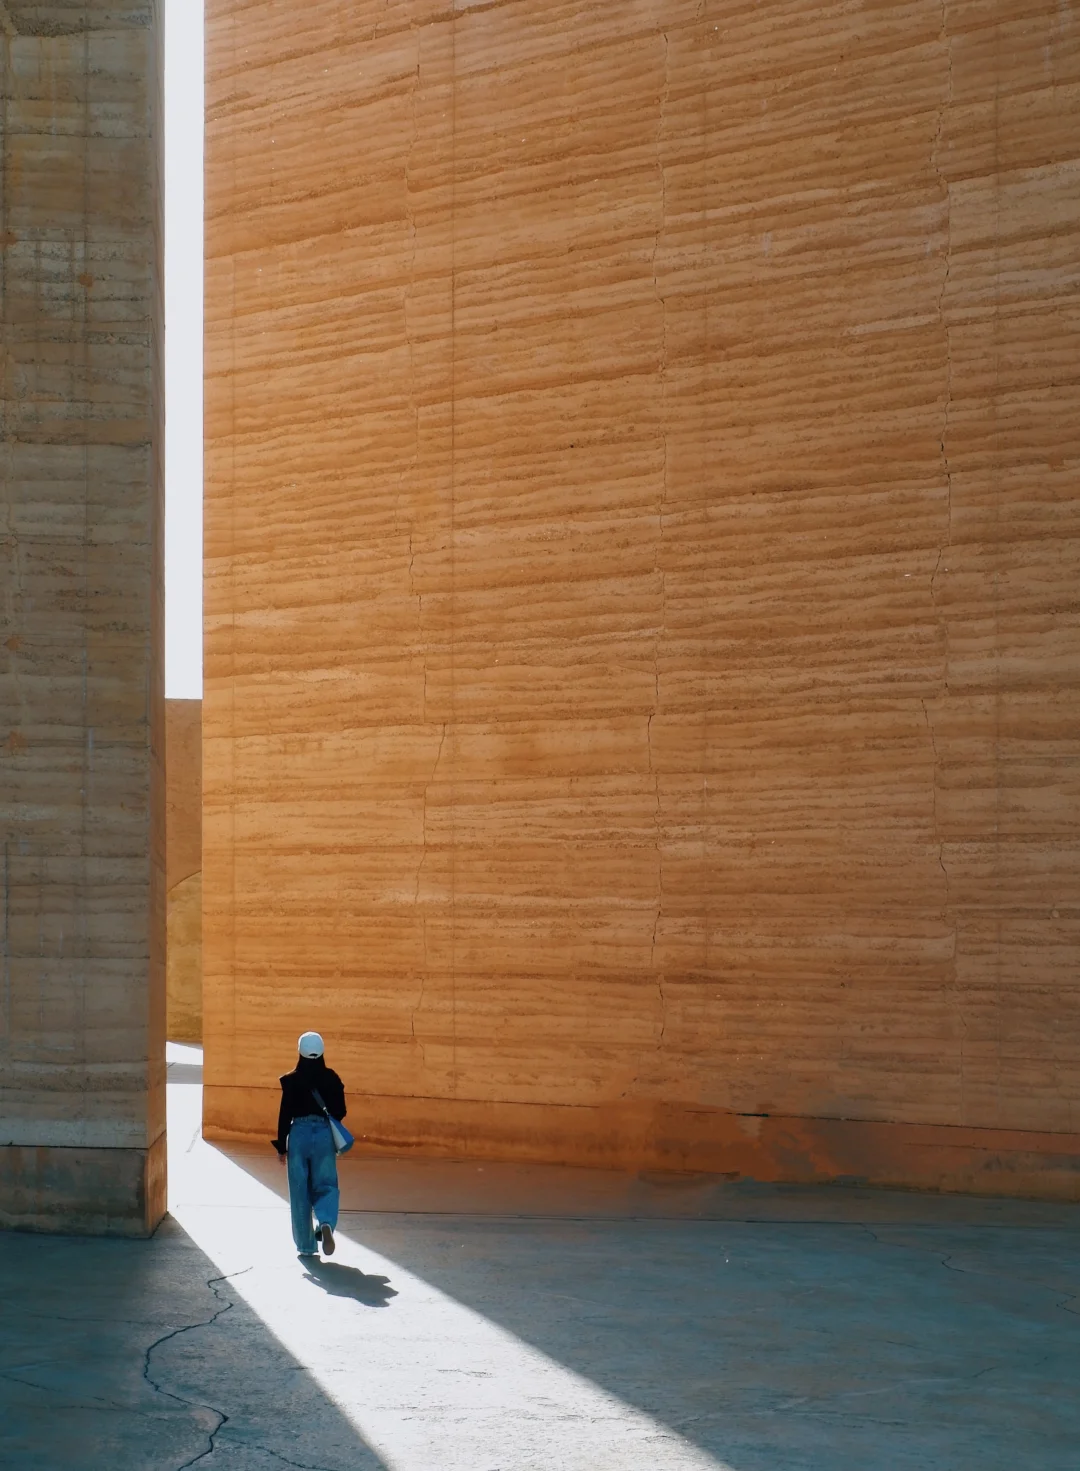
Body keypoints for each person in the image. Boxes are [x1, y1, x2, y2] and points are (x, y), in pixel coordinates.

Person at [272, 1031, 347, 1257]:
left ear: (300, 1052)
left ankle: (306, 1246)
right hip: (324, 1134)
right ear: (323, 1051)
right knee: (326, 1185)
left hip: (298, 1135)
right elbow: (341, 1112)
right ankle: (325, 1222)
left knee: (299, 1190)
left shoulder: (291, 1080)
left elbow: (284, 1115)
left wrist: (282, 1148)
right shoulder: (332, 1078)